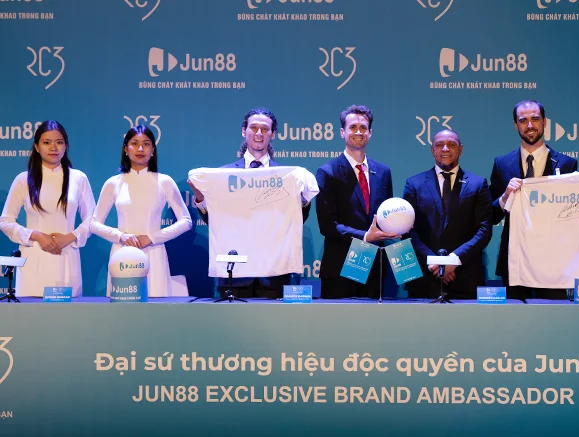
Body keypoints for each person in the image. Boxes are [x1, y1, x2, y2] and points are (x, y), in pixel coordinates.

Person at [188, 107, 311, 298]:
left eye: (265, 129)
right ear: (244, 131)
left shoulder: (288, 177)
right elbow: (216, 222)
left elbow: (295, 220)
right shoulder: (224, 175)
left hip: (274, 274)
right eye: (253, 127)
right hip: (235, 275)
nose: (259, 133)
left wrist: (302, 200)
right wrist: (201, 200)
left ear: (273, 134)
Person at [489, 99, 579, 300]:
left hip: (555, 262)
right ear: (516, 125)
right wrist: (505, 197)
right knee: (514, 317)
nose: (530, 125)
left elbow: (575, 213)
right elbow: (491, 215)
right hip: (515, 260)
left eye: (535, 119)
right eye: (523, 120)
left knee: (554, 316)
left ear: (544, 122)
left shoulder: (567, 164)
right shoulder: (502, 164)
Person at [91, 125, 191, 297]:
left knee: (156, 306)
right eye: (134, 143)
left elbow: (186, 221)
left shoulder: (164, 182)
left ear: (153, 150)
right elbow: (94, 224)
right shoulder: (113, 183)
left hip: (154, 255)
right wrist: (121, 236)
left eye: (146, 144)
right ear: (125, 149)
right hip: (122, 255)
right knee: (121, 308)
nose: (140, 149)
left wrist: (152, 238)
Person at [0, 120, 95, 296]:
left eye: (59, 142)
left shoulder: (78, 178)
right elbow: (5, 221)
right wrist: (36, 235)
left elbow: (92, 220)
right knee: (31, 312)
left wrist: (70, 237)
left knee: (67, 312)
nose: (54, 147)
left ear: (66, 146)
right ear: (36, 147)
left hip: (66, 258)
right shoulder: (23, 180)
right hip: (33, 259)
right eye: (47, 142)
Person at [316, 105, 396, 298]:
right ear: (342, 132)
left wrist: (398, 225)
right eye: (352, 127)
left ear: (370, 133)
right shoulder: (327, 172)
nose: (358, 132)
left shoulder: (383, 172)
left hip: (374, 270)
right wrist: (365, 236)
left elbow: (386, 215)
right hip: (340, 269)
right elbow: (327, 225)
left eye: (363, 128)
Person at [402, 129, 492, 299]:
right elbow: (407, 230)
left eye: (451, 144)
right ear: (432, 150)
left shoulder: (478, 184)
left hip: (465, 277)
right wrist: (434, 262)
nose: (445, 149)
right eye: (439, 145)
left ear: (460, 149)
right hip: (425, 278)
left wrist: (454, 260)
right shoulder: (414, 184)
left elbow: (484, 230)